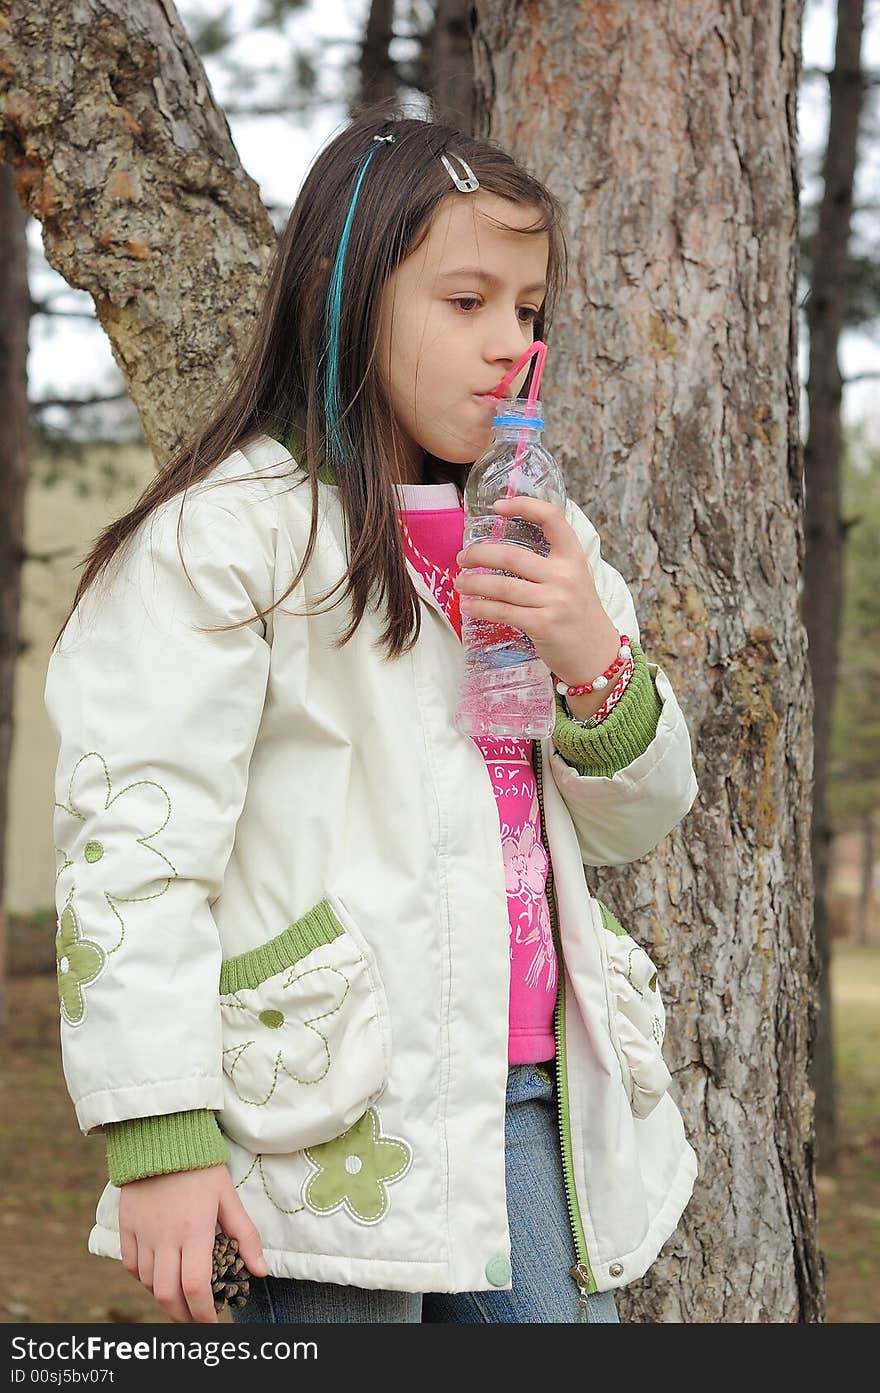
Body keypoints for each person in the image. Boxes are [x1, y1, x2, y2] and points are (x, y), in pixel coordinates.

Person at [44, 106, 699, 1326]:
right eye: (466, 302)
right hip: (319, 1118)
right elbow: (132, 848)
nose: (510, 342)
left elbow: (634, 821)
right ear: (348, 297)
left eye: (528, 309)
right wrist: (159, 1133)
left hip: (529, 1099)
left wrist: (590, 653)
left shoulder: (538, 542)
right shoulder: (228, 540)